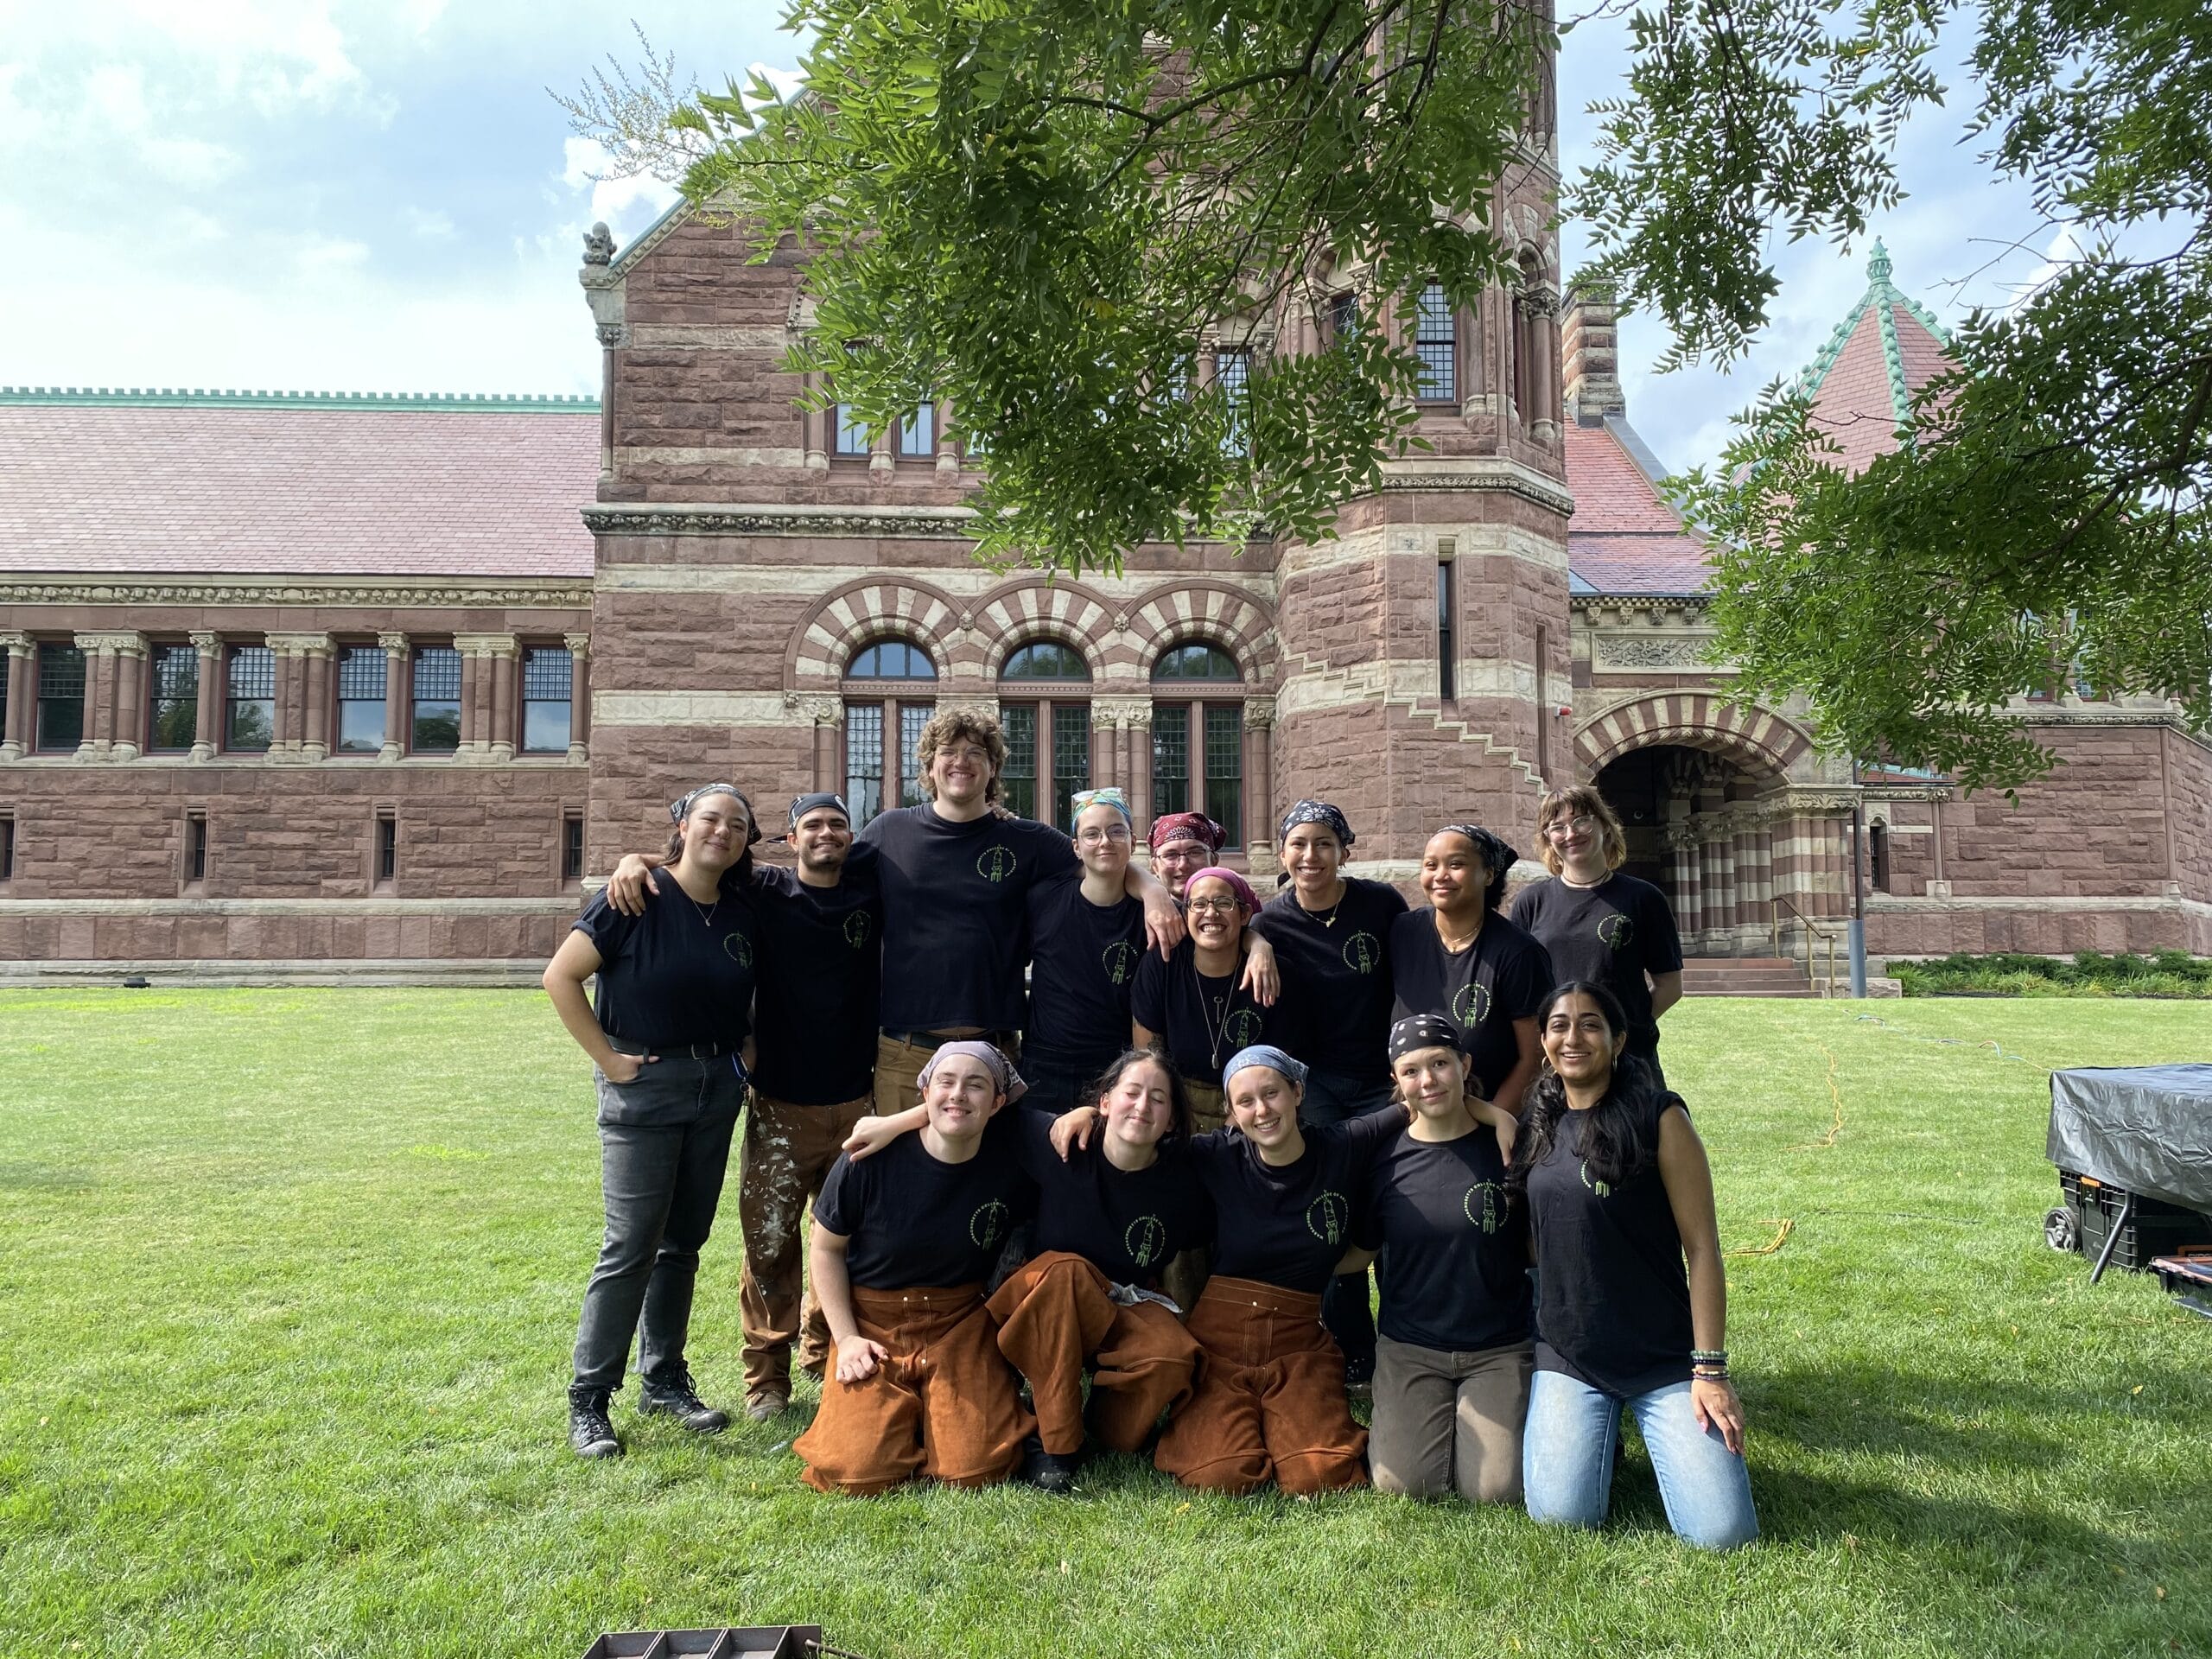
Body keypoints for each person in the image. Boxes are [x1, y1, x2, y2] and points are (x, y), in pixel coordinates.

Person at [842, 1049, 1211, 1491]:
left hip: (1120, 1302)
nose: (1142, 1106)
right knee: (1067, 1274)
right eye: (1131, 1093)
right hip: (1043, 1300)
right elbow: (970, 1107)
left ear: (1172, 1119)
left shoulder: (1184, 1178)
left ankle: (1100, 1424)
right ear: (1106, 1102)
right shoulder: (1056, 1142)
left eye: (1158, 1099)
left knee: (1172, 1354)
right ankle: (1052, 1442)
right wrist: (896, 1121)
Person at [1058, 1045, 1395, 1496]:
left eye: (1272, 1093)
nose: (1262, 1110)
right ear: (1231, 1112)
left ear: (1297, 1091)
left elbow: (1421, 1102)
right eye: (1246, 1101)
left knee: (1321, 1475)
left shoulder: (1341, 1146)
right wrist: (1086, 1114)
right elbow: (1139, 1130)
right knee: (1221, 1473)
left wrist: (1492, 1113)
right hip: (1220, 1338)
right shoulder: (1214, 1155)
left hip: (1299, 1342)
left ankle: (1291, 1426)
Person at [542, 783, 760, 1460]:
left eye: (737, 825)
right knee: (631, 1244)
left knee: (683, 1244)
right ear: (684, 826)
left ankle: (663, 1378)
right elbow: (560, 976)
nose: (722, 832)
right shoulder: (634, 897)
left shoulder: (741, 910)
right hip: (644, 1090)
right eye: (710, 819)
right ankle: (589, 1398)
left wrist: (744, 1059)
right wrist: (608, 1060)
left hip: (715, 1089)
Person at [855, 709, 1206, 1116]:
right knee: (906, 1173)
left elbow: (1101, 858)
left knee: (998, 1177)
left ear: (992, 768)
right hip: (907, 1051)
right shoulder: (887, 831)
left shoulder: (1027, 839)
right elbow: (836, 894)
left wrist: (1153, 891)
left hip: (996, 1052)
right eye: (948, 751)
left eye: (975, 752)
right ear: (930, 766)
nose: (961, 761)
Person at [1510, 982, 1758, 1549]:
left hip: (1663, 1357)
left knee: (1723, 1534)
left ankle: (1647, 1427)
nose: (1574, 1037)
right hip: (1570, 1353)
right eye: (1560, 1025)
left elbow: (1702, 1250)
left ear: (1619, 1040)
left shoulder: (1659, 1116)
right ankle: (1595, 1436)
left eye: (1591, 1024)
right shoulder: (1538, 1123)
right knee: (1561, 1517)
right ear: (1544, 1041)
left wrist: (1710, 1370)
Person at [792, 1042, 1039, 1494]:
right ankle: (902, 1417)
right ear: (924, 1090)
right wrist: (845, 1340)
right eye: (946, 1082)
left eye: (976, 1085)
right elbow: (825, 1250)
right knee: (855, 1472)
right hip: (873, 1320)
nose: (959, 1094)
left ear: (998, 1102)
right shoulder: (867, 1158)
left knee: (977, 1469)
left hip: (959, 1321)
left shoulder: (1012, 1159)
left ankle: (943, 1416)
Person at [731, 792, 884, 1422]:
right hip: (781, 1104)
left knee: (844, 1235)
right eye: (812, 825)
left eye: (837, 824)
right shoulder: (765, 892)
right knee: (769, 1242)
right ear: (790, 839)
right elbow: (685, 870)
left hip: (858, 1101)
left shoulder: (873, 891)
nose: (827, 833)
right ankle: (766, 1376)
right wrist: (634, 863)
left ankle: (824, 1354)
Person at [1249, 799, 1408, 1389]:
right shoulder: (1269, 922)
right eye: (1298, 844)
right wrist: (1257, 944)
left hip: (1380, 1080)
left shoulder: (1380, 905)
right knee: (1332, 1206)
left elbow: (1411, 977)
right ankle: (1351, 1350)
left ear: (1345, 849)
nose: (1310, 856)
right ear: (1283, 852)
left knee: (1396, 1199)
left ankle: (1406, 1338)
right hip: (1313, 1084)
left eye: (1323, 843)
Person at [1359, 1014, 1534, 1505]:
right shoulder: (1382, 1157)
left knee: (1497, 1491)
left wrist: (1500, 1115)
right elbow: (1360, 1250)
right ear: (1396, 1080)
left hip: (1498, 1347)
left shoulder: (1507, 1147)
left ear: (1465, 1064)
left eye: (1440, 1063)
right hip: (1411, 1346)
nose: (1427, 1080)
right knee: (1403, 1486)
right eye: (1411, 1071)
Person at [1509, 785, 1684, 1087]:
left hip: (1628, 1060)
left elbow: (1670, 986)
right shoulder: (1531, 902)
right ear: (1548, 838)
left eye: (1581, 821)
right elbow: (1519, 990)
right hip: (1557, 1062)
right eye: (1557, 827)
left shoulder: (1643, 898)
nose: (1571, 833)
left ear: (1604, 825)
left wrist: (1621, 1029)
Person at [1389, 823, 1554, 1115]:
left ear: (1489, 874)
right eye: (1431, 865)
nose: (1441, 875)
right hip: (1415, 1113)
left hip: (1493, 1114)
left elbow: (1534, 1056)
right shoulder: (1403, 932)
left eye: (1456, 864)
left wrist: (1494, 1122)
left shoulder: (1519, 953)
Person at [1020, 789, 1151, 1117]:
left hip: (1113, 1064)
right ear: (1076, 847)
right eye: (1091, 834)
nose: (1104, 841)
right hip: (1045, 1064)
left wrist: (1257, 942)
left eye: (1116, 831)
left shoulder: (1152, 916)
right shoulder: (1042, 900)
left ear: (1133, 841)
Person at [1129, 865, 1279, 1132]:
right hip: (1176, 1109)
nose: (1211, 913)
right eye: (1198, 904)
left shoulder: (1271, 972)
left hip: (1251, 1112)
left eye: (1224, 903)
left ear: (1245, 914)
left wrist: (1228, 1136)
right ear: (1186, 914)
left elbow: (1276, 1065)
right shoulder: (1162, 966)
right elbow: (1149, 1059)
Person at [1147, 810, 1228, 900]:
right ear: (1155, 867)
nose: (1183, 865)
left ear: (1214, 860)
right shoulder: (1140, 913)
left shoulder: (1235, 911)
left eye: (1194, 853)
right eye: (1170, 855)